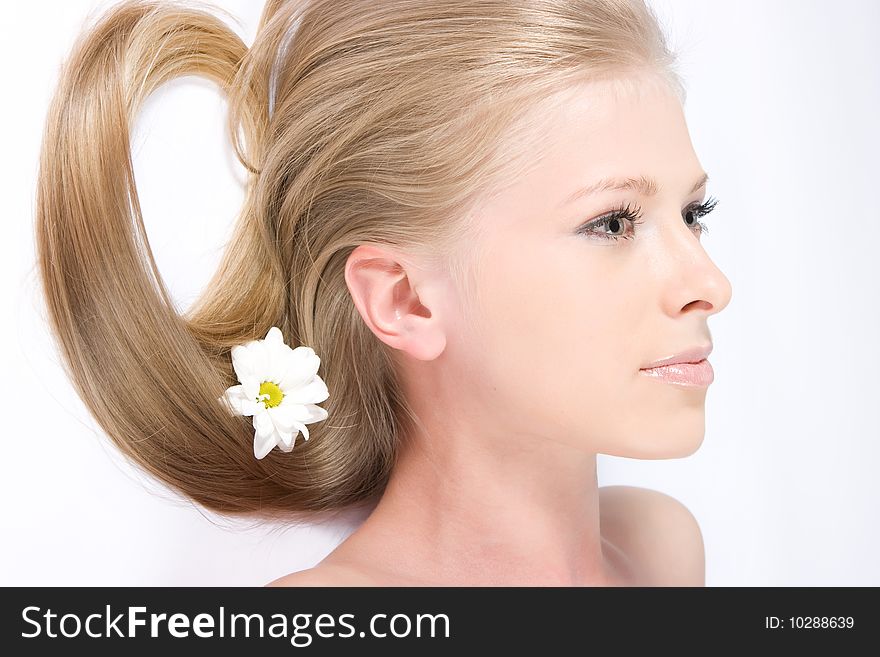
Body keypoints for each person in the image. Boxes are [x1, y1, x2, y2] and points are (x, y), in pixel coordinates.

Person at [35, 0, 731, 586]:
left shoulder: (662, 549)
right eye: (611, 222)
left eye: (694, 214)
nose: (710, 284)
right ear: (405, 300)